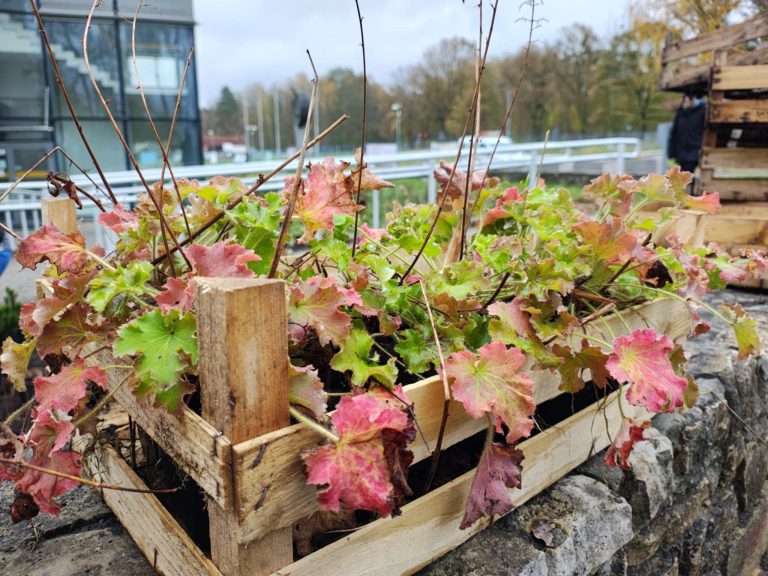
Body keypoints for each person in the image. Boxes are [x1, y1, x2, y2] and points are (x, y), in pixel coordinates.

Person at [667, 88, 707, 174]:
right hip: (682, 154)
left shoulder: (703, 112)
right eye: (685, 97)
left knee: (686, 177)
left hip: (694, 153)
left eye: (689, 97)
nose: (686, 99)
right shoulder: (681, 113)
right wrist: (672, 153)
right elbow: (674, 133)